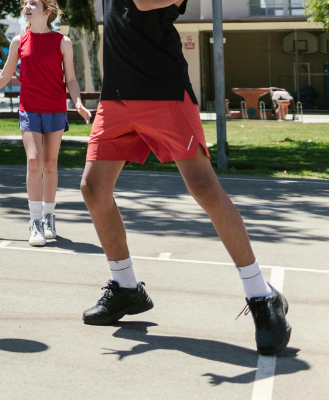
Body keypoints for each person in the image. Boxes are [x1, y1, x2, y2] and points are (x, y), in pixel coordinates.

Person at [80, 0, 290, 355]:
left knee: (204, 188)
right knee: (93, 188)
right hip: (117, 95)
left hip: (163, 91)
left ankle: (261, 296)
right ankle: (126, 287)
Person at [0, 0, 91, 247]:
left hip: (55, 109)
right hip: (30, 110)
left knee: (50, 164)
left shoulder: (62, 43)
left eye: (33, 3)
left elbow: (72, 80)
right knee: (34, 161)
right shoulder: (18, 41)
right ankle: (35, 223)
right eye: (25, 3)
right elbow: (4, 75)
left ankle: (49, 216)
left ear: (46, 11)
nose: (27, 7)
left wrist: (77, 103)